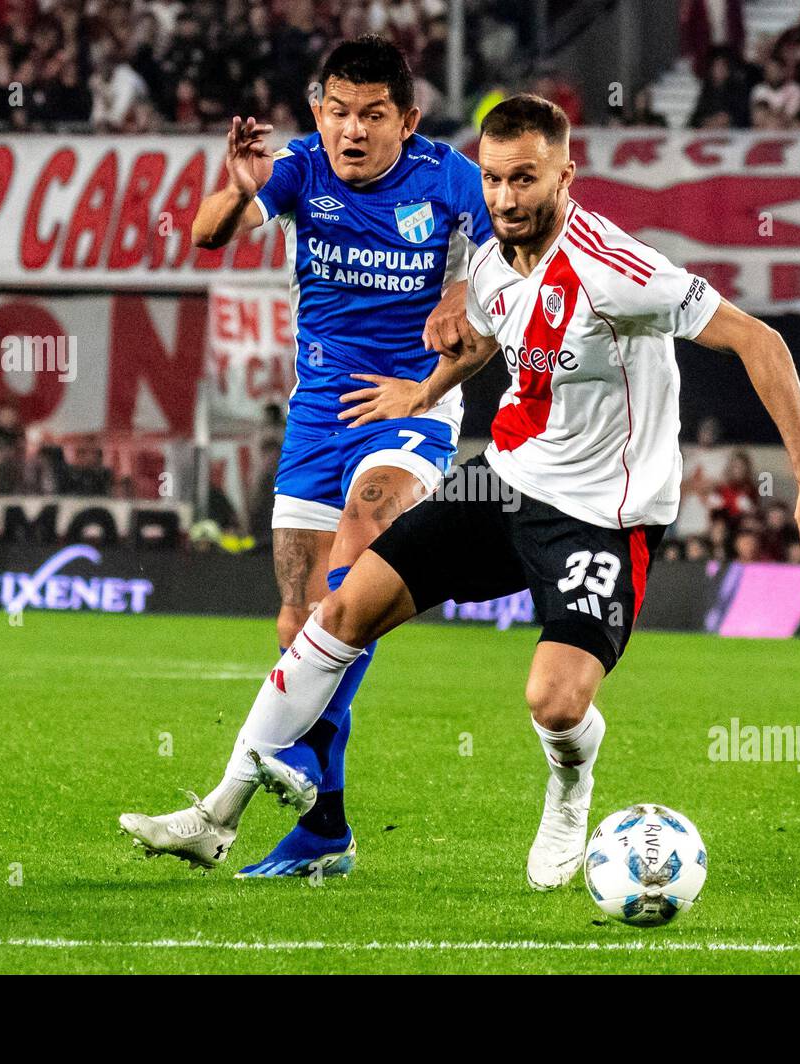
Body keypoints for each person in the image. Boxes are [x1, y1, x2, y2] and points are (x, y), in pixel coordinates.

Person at [121, 94, 800, 888]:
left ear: (565, 174)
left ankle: (570, 784)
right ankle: (219, 812)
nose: (506, 199)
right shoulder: (490, 260)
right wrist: (427, 387)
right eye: (492, 180)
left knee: (554, 702)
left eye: (525, 179)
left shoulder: (619, 273)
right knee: (337, 611)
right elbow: (491, 333)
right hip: (506, 483)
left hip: (601, 517)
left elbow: (760, 340)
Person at [166, 36, 492, 878]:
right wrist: (239, 192)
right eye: (338, 111)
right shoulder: (300, 168)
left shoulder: (450, 176)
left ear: (407, 119)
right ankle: (325, 830)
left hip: (410, 407)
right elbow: (205, 236)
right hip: (317, 415)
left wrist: (467, 286)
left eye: (372, 115)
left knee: (366, 523)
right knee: (297, 624)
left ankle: (288, 774)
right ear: (318, 112)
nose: (353, 131)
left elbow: (517, 262)